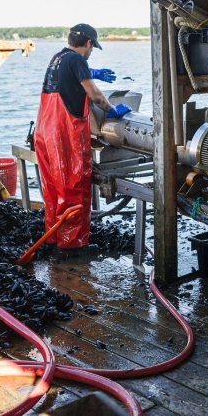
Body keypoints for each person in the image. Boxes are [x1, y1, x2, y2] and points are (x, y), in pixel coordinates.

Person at [34, 23, 130, 251]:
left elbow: (66, 80)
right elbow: (95, 95)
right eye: (92, 48)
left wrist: (92, 73)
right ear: (88, 43)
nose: (90, 52)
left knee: (53, 190)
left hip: (45, 132)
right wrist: (111, 110)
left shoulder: (58, 58)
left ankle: (53, 238)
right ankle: (72, 245)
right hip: (64, 135)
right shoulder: (77, 60)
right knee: (73, 187)